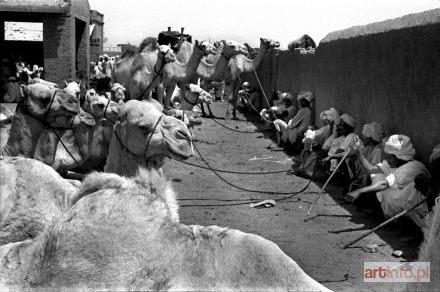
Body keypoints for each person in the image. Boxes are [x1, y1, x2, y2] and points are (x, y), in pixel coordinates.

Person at [346, 135, 430, 228]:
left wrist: (359, 191)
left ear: (400, 157)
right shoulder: (391, 164)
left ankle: (410, 227)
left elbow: (384, 184)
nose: (387, 159)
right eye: (386, 156)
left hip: (419, 209)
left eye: (390, 157)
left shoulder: (413, 167)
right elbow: (371, 169)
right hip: (401, 204)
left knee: (386, 189)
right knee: (378, 176)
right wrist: (358, 151)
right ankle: (392, 219)